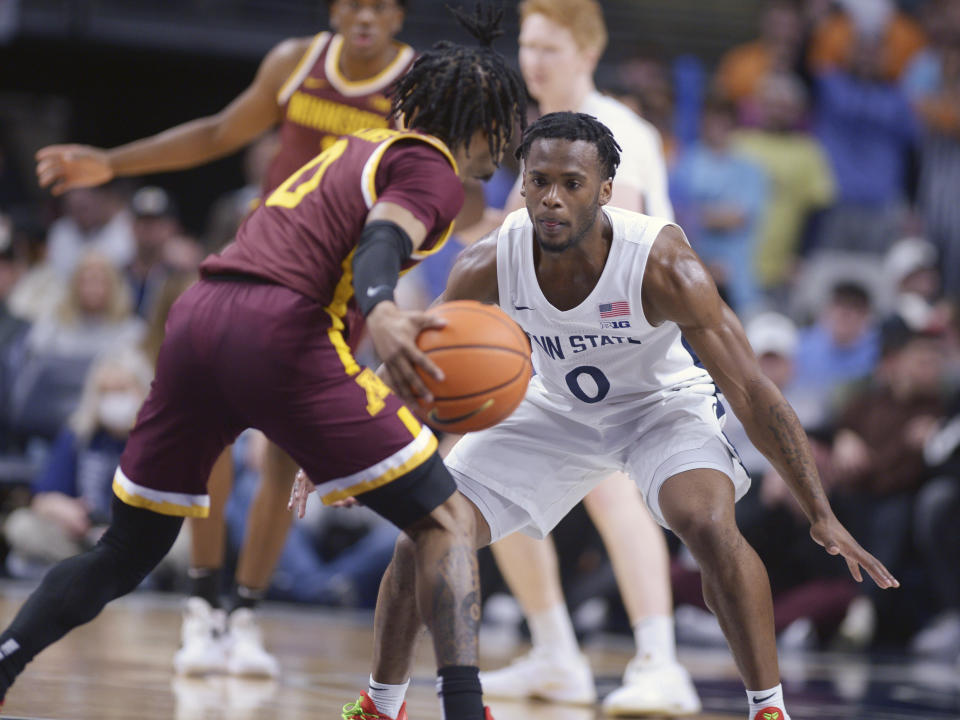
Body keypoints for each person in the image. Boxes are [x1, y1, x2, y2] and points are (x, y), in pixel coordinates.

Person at [0, 11, 528, 720]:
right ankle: (464, 710)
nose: (507, 145)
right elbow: (381, 241)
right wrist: (385, 309)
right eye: (505, 126)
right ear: (478, 122)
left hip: (200, 317)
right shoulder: (428, 167)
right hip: (280, 329)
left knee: (126, 550)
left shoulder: (357, 147)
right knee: (444, 518)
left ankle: (6, 661)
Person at [299, 112, 900, 720]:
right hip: (551, 408)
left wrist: (820, 512)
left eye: (572, 183)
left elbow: (750, 389)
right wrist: (340, 446)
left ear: (606, 189)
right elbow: (416, 353)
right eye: (538, 182)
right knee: (423, 536)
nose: (552, 198)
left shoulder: (663, 264)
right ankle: (381, 707)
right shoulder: (490, 260)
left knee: (709, 524)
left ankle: (768, 710)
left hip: (658, 409)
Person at [34, 0, 418, 678]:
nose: (364, 15)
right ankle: (204, 606)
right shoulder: (295, 61)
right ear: (335, 8)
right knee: (213, 435)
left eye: (380, 4)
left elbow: (427, 186)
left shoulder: (412, 86)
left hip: (344, 289)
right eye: (353, 2)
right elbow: (216, 131)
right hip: (265, 271)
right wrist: (112, 164)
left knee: (282, 457)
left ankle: (244, 613)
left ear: (398, 16)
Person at [464, 2, 698, 715]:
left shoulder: (617, 130)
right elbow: (506, 244)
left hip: (630, 345)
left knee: (610, 488)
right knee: (481, 464)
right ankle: (556, 652)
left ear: (586, 53)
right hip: (553, 347)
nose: (534, 61)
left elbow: (586, 234)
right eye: (528, 47)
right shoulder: (541, 142)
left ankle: (661, 660)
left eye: (550, 48)